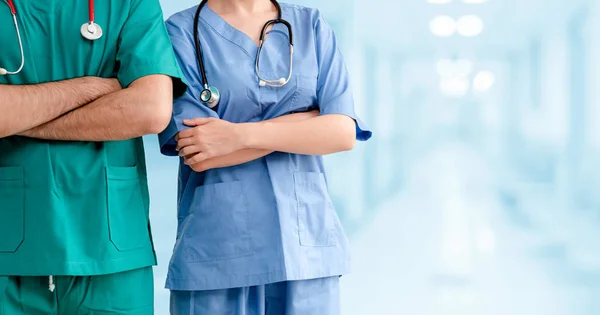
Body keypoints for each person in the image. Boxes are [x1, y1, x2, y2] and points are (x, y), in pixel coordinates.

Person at [159, 0, 372, 313]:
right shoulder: (181, 32)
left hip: (306, 250)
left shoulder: (310, 25)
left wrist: (236, 135)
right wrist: (306, 124)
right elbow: (198, 149)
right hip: (218, 249)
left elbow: (341, 133)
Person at [0, 0, 186, 314]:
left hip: (110, 248)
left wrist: (19, 117)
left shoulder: (130, 3)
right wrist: (86, 89)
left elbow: (150, 110)